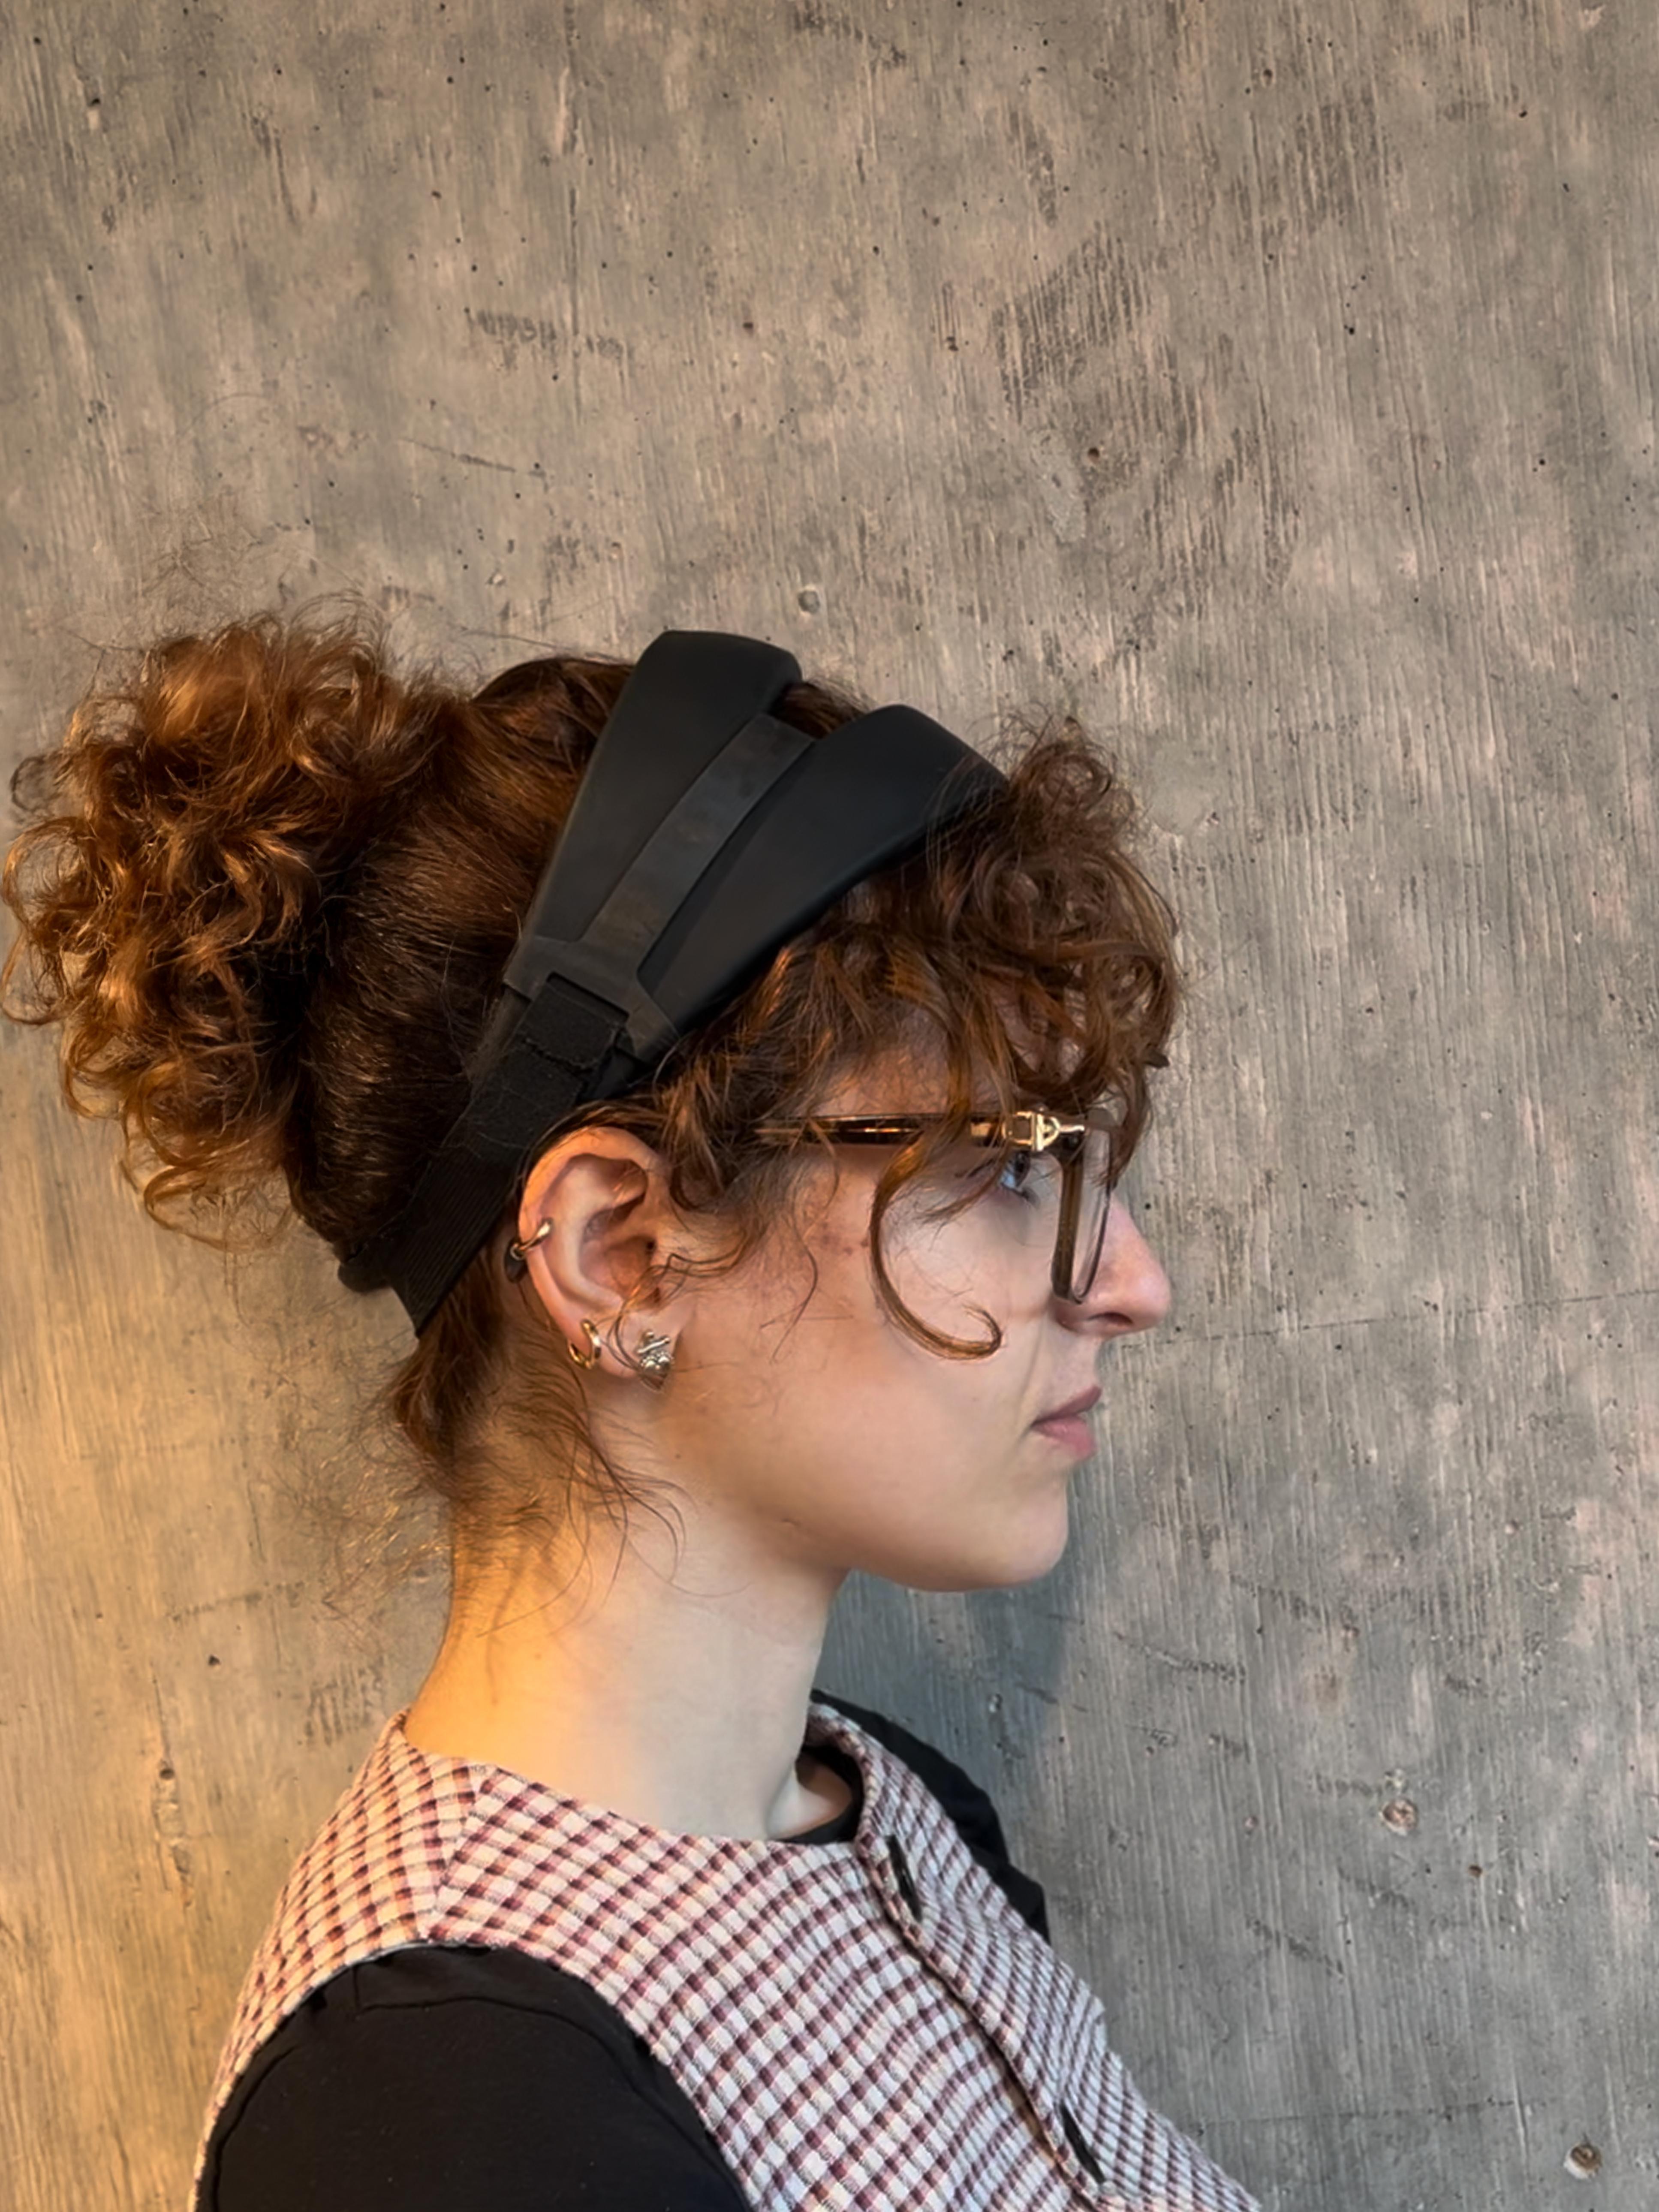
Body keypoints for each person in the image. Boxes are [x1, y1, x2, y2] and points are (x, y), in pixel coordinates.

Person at [1, 609, 1259, 2211]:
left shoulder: (889, 1811)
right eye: (1005, 1168)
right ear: (621, 1257)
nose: (1131, 1284)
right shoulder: (442, 2114)